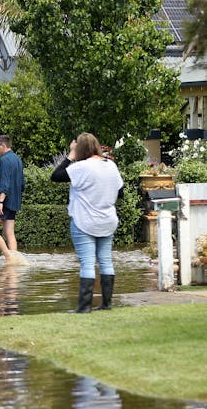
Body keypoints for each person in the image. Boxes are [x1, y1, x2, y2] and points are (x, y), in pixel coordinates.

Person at [51, 133, 124, 313]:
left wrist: (71, 155)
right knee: (106, 261)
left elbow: (56, 176)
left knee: (87, 263)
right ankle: (106, 304)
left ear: (80, 148)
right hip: (107, 220)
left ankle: (84, 307)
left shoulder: (81, 167)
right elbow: (120, 192)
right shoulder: (111, 165)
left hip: (84, 221)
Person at [0, 135, 25, 260]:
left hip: (3, 200)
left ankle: (8, 257)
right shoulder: (17, 159)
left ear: (3, 145)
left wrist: (0, 201)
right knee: (9, 232)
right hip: (14, 201)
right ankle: (15, 259)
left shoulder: (5, 160)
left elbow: (5, 182)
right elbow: (22, 184)